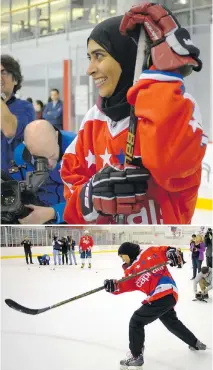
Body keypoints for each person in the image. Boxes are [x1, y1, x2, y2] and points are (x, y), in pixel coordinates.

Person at [61, 4, 207, 225]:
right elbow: (71, 186)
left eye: (99, 56)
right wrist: (87, 198)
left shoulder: (179, 107)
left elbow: (171, 166)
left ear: (126, 55)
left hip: (160, 251)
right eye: (89, 57)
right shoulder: (93, 119)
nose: (89, 69)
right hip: (109, 252)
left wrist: (162, 74)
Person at [104, 242, 206, 370]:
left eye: (122, 256)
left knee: (136, 321)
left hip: (165, 292)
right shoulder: (131, 272)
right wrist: (113, 286)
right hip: (164, 297)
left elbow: (167, 250)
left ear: (129, 253)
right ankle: (195, 343)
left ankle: (136, 356)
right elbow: (122, 286)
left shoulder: (150, 252)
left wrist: (172, 252)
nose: (122, 259)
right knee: (171, 323)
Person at [11, 119, 76, 224]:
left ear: (56, 136)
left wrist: (54, 212)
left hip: (73, 217)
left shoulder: (78, 145)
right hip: (38, 219)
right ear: (27, 147)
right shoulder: (20, 154)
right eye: (40, 158)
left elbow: (88, 196)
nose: (49, 164)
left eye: (52, 156)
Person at [1, 55, 35, 175]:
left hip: (12, 179)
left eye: (3, 72)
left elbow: (10, 130)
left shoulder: (25, 107)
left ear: (15, 79)